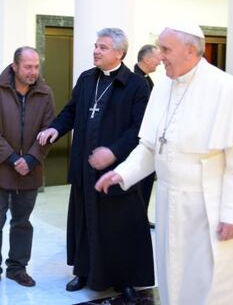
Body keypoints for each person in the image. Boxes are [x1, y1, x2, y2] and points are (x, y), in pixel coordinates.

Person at [95, 24, 233, 305]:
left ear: (190, 50)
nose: (160, 57)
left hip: (211, 206)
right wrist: (122, 173)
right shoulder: (163, 86)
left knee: (212, 283)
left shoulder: (227, 89)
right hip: (170, 201)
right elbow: (150, 146)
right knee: (174, 277)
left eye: (165, 50)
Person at [38, 28, 154, 302]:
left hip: (117, 171)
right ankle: (84, 271)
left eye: (102, 47)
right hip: (85, 166)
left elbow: (139, 128)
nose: (96, 51)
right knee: (85, 220)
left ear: (119, 53)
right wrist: (56, 128)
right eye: (96, 46)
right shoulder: (87, 78)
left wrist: (113, 152)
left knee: (118, 226)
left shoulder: (135, 85)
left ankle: (123, 279)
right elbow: (71, 110)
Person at [0, 46, 55, 292]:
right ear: (15, 66)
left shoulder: (45, 93)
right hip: (0, 170)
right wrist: (13, 159)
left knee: (22, 223)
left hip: (30, 172)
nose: (33, 72)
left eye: (36, 67)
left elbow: (50, 130)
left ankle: (17, 268)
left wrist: (31, 159)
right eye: (28, 67)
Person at [134, 44, 162, 228]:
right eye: (157, 58)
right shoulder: (135, 80)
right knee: (139, 182)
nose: (159, 61)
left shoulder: (146, 79)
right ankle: (137, 217)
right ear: (146, 58)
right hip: (139, 140)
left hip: (148, 138)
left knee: (146, 182)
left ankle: (141, 215)